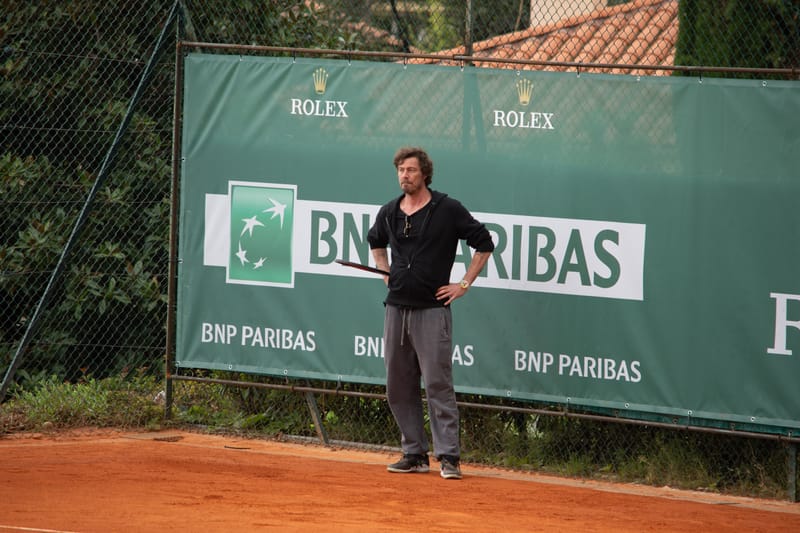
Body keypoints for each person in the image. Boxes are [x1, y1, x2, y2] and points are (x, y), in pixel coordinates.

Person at [367, 147, 495, 480]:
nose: (404, 175)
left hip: (433, 311)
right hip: (396, 309)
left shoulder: (448, 209)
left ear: (425, 173)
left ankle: (449, 457)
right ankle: (414, 453)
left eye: (410, 170)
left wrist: (463, 284)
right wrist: (385, 273)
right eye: (400, 170)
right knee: (398, 385)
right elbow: (375, 241)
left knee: (438, 384)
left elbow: (484, 243)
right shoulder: (389, 212)